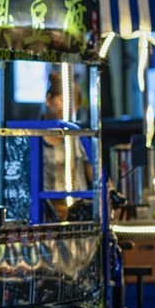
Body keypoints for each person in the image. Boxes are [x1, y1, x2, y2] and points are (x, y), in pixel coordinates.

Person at [41, 76, 94, 220]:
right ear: (48, 99)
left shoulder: (79, 137)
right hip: (45, 215)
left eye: (74, 105)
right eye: (63, 101)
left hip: (78, 214)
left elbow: (95, 172)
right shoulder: (31, 138)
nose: (68, 109)